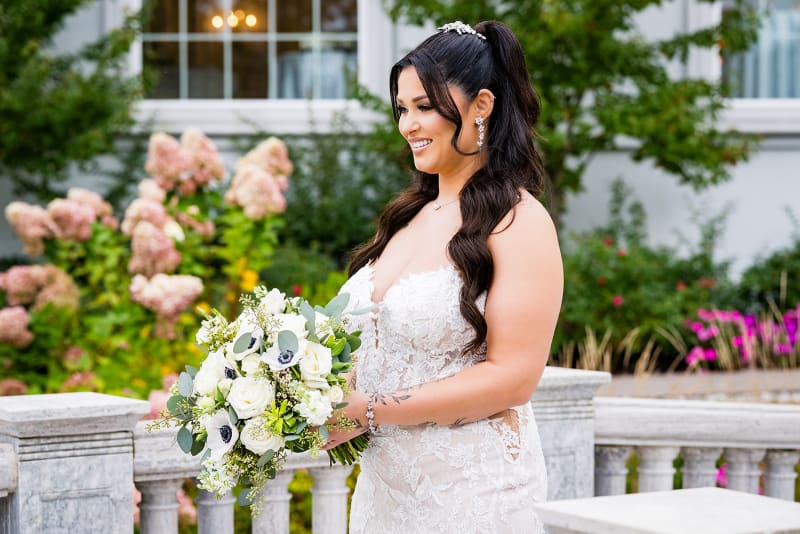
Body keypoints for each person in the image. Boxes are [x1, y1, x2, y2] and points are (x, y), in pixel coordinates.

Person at [324, 20, 563, 533]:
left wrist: (367, 411)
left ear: (481, 105)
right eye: (402, 108)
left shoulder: (519, 221)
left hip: (472, 494)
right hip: (383, 498)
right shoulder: (407, 216)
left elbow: (513, 378)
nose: (408, 124)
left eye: (425, 106)